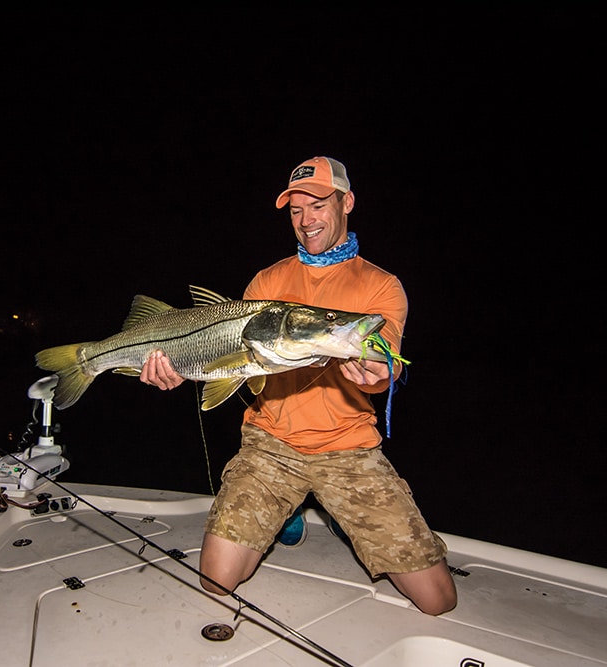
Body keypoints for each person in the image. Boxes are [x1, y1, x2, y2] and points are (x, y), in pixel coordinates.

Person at [140, 156, 457, 615]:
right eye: (295, 210)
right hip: (271, 446)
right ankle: (286, 509)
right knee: (215, 580)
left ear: (346, 203)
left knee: (438, 602)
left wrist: (381, 371)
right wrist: (180, 370)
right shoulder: (267, 281)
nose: (307, 221)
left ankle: (340, 511)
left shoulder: (381, 287)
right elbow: (241, 371)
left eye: (319, 205)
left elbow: (382, 353)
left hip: (348, 450)